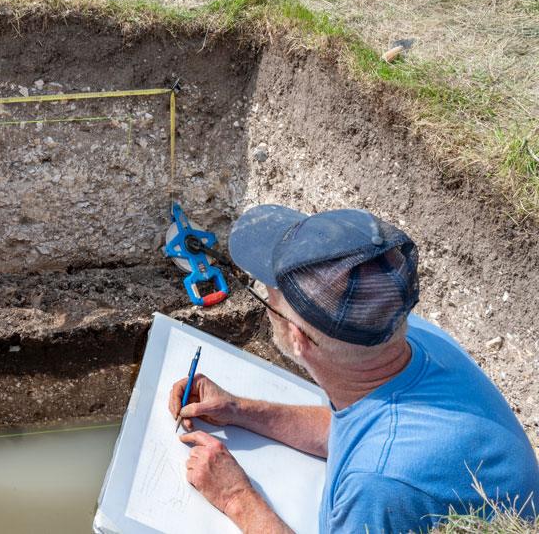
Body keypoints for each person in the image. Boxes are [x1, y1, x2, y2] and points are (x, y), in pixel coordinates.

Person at [169, 205, 539, 533]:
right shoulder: (400, 332)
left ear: (298, 338)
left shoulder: (376, 487)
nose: (266, 300)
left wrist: (236, 498)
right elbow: (355, 428)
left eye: (269, 294)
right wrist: (239, 411)